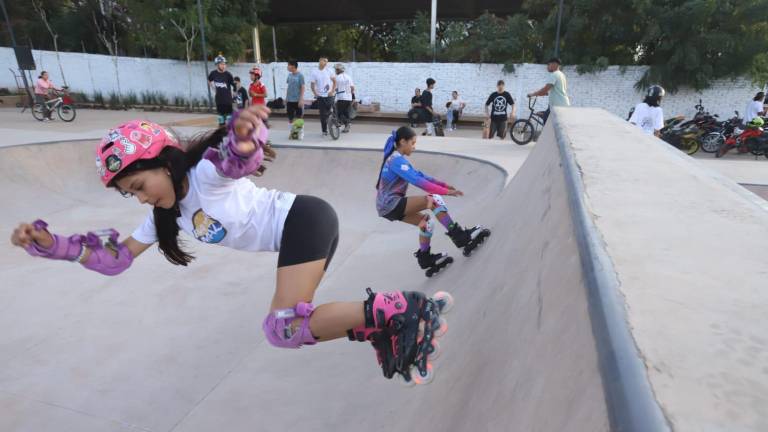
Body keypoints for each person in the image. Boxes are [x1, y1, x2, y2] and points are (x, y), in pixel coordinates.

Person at [9, 106, 444, 384]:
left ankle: (399, 311)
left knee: (284, 325)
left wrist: (243, 136)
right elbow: (114, 259)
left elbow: (235, 161)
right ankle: (381, 327)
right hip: (303, 228)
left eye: (140, 185)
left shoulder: (203, 176)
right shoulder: (166, 214)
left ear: (164, 162)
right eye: (131, 194)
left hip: (304, 219)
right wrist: (53, 245)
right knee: (286, 329)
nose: (141, 198)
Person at [376, 126, 490, 274]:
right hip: (391, 204)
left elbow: (420, 175)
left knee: (426, 223)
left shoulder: (398, 159)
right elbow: (418, 181)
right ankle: (460, 237)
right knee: (434, 199)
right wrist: (445, 192)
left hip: (386, 208)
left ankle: (425, 258)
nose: (414, 147)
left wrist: (443, 184)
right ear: (403, 142)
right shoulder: (395, 160)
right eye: (412, 143)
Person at [527, 57, 570, 124]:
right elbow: (547, 91)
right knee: (546, 116)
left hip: (557, 106)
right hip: (562, 104)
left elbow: (545, 89)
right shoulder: (562, 75)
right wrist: (541, 93)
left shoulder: (554, 74)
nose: (547, 67)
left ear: (554, 64)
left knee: (547, 122)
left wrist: (533, 94)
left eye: (548, 64)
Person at [310, 57, 337, 137]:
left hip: (329, 95)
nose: (325, 63)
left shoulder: (329, 71)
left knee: (333, 110)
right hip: (321, 96)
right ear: (320, 61)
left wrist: (332, 91)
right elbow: (312, 85)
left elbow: (335, 81)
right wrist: (315, 93)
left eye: (327, 61)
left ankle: (336, 124)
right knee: (322, 114)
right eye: (324, 61)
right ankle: (324, 130)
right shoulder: (314, 72)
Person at [208, 54, 235, 126]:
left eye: (224, 64)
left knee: (229, 122)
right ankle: (222, 136)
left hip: (228, 101)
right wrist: (214, 88)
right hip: (219, 101)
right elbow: (209, 80)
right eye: (222, 64)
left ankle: (230, 136)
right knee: (221, 122)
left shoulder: (228, 74)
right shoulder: (213, 73)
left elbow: (234, 85)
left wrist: (235, 95)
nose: (224, 65)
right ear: (217, 65)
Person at [333, 63, 355, 133]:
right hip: (348, 98)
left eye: (335, 70)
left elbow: (334, 89)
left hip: (341, 97)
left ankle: (345, 123)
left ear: (338, 70)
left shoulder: (337, 78)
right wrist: (352, 96)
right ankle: (346, 125)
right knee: (345, 112)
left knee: (339, 112)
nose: (335, 71)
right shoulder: (348, 77)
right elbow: (352, 88)